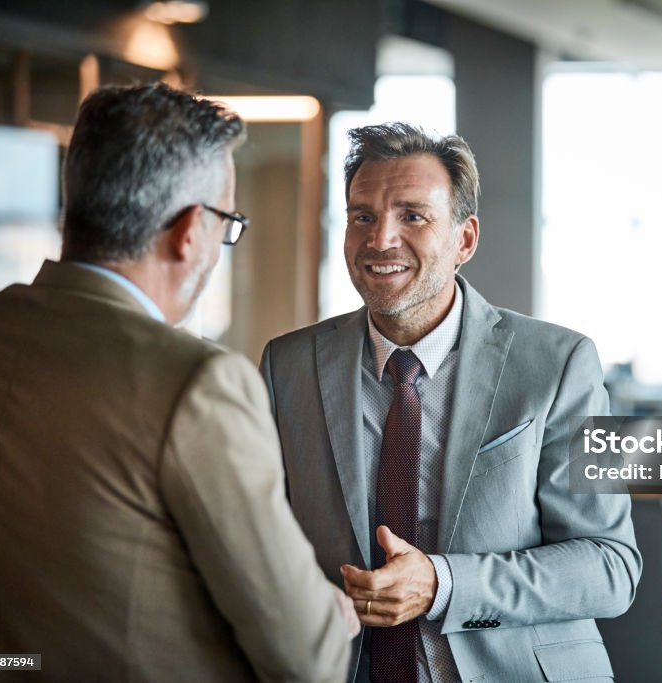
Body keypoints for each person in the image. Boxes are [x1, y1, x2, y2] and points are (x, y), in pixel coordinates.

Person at [0, 83, 355, 682]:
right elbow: (308, 659)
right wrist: (335, 613)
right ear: (192, 229)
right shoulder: (198, 385)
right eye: (228, 223)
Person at [259, 122, 641, 682]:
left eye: (412, 216)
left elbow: (609, 568)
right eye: (363, 215)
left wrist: (443, 584)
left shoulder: (560, 364)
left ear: (464, 239)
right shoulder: (287, 365)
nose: (381, 238)